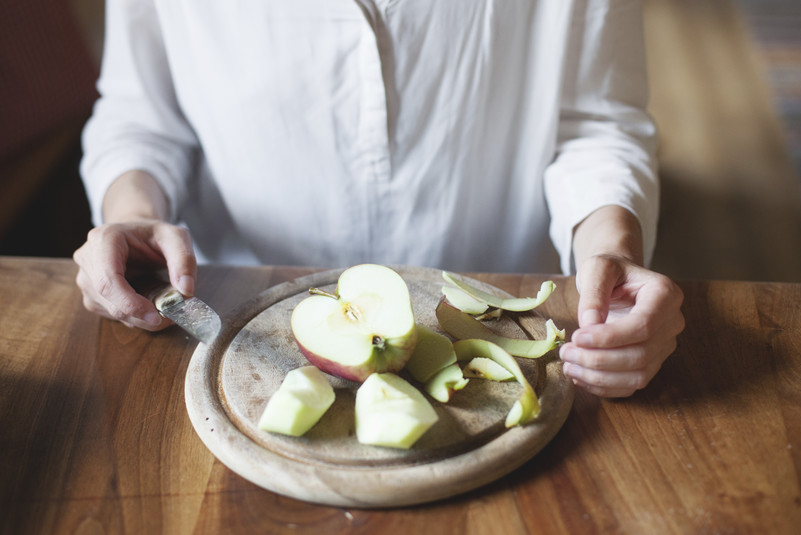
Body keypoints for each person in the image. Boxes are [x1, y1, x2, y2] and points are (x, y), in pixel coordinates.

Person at [73, 0, 684, 398]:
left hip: (499, 315)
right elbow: (141, 117)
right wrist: (132, 215)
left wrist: (612, 247)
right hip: (234, 314)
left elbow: (595, 122)